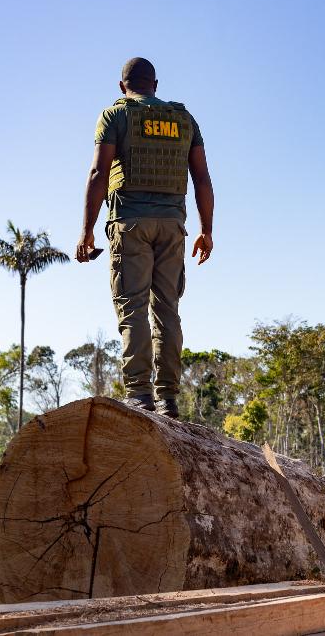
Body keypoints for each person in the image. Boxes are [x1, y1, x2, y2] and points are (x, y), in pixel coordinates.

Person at [75, 57, 214, 418]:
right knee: (167, 310)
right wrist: (206, 231)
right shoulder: (184, 119)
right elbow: (201, 178)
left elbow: (97, 173)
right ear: (156, 83)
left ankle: (139, 395)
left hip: (130, 223)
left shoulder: (114, 116)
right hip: (172, 226)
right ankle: (168, 398)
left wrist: (87, 229)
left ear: (123, 86)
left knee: (132, 308)